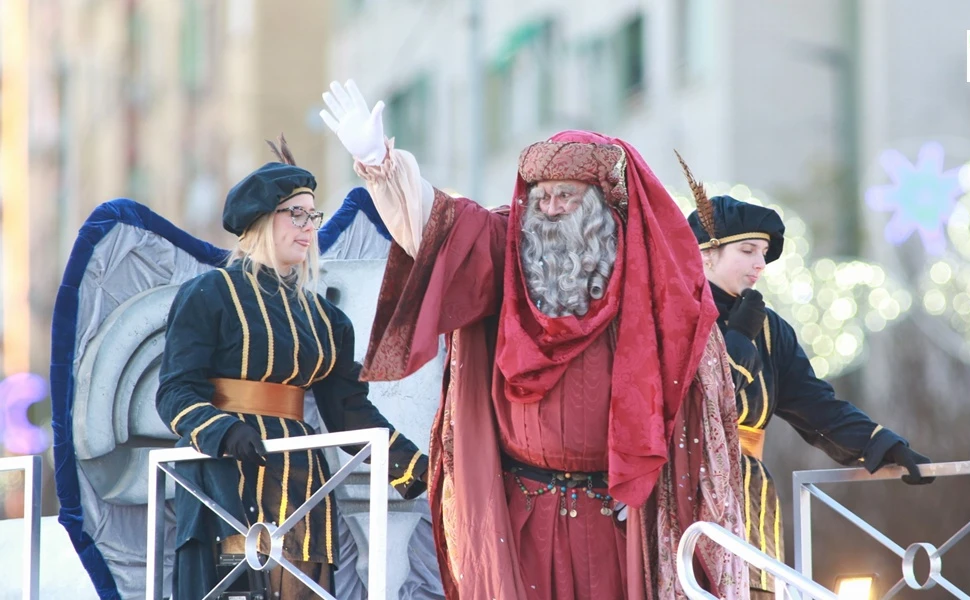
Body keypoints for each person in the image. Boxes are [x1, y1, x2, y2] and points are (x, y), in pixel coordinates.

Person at [320, 79, 751, 599]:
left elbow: (685, 383)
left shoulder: (648, 277)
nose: (546, 209)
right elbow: (435, 230)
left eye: (564, 196)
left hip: (613, 523)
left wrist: (646, 476)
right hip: (520, 518)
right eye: (540, 195)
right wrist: (380, 165)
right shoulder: (506, 252)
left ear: (600, 203)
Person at [156, 138, 430, 600]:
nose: (308, 227)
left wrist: (412, 465)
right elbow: (174, 392)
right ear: (262, 221)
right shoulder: (208, 293)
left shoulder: (327, 319)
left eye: (313, 216)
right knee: (236, 590)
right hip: (226, 476)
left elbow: (348, 410)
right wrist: (222, 430)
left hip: (303, 480)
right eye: (295, 214)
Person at [677, 155, 934, 599]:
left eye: (763, 254)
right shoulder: (671, 316)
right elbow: (695, 399)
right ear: (705, 253)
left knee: (754, 590)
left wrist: (880, 443)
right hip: (679, 483)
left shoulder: (770, 329)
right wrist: (736, 338)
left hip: (746, 490)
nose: (760, 265)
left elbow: (815, 406)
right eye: (747, 251)